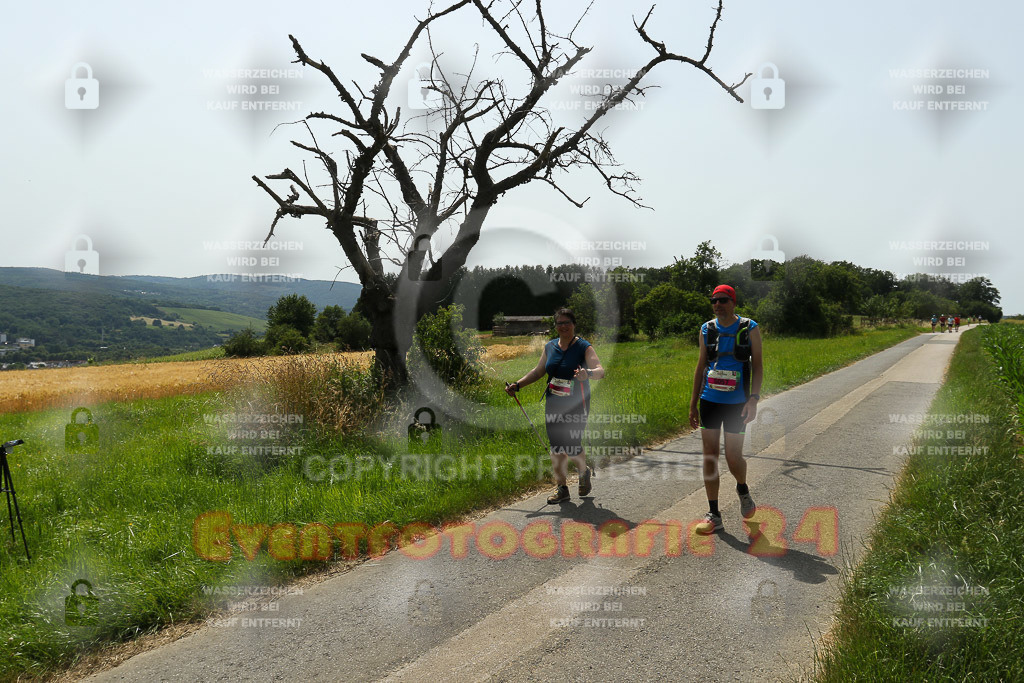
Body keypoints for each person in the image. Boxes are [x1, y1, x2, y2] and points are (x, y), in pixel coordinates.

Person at [506, 308, 605, 504]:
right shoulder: (550, 346)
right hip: (554, 402)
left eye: (567, 322)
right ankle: (562, 488)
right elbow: (538, 371)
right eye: (559, 323)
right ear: (555, 326)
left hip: (577, 403)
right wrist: (518, 385)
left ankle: (583, 472)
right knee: (556, 446)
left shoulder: (584, 347)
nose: (563, 326)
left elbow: (600, 370)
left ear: (574, 324)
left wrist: (588, 374)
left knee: (571, 443)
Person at [688, 285, 763, 534]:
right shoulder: (706, 329)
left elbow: (759, 365)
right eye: (714, 301)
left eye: (722, 300)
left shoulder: (749, 327)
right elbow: (700, 366)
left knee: (733, 457)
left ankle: (742, 488)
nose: (717, 305)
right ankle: (714, 514)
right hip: (710, 400)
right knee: (710, 456)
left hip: (737, 403)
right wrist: (693, 403)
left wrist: (753, 399)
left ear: (733, 302)